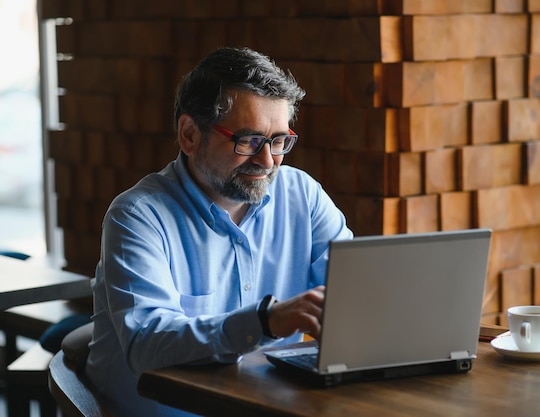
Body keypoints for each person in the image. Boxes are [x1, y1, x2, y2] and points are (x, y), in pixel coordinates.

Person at [84, 47, 353, 417]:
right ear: (190, 135)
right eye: (248, 140)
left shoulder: (302, 195)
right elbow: (146, 344)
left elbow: (355, 291)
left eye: (279, 141)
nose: (268, 160)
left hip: (268, 405)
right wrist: (264, 322)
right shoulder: (136, 216)